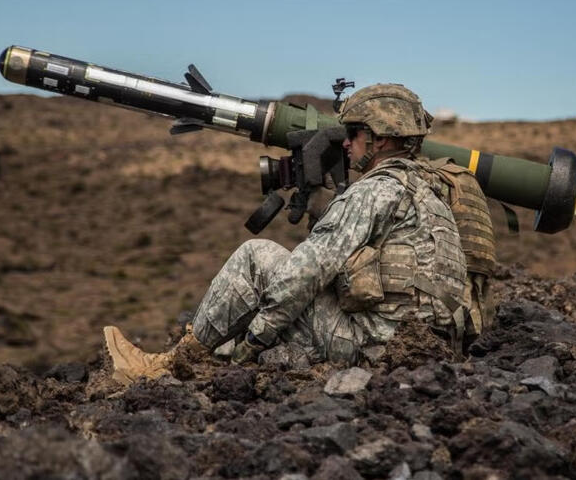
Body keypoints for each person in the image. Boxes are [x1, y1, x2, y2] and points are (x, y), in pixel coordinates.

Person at [103, 84, 479, 385]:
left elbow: (306, 271)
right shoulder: (432, 195)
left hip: (373, 350)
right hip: (430, 352)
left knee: (258, 257)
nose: (345, 143)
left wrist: (257, 338)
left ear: (380, 140)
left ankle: (167, 366)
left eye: (353, 133)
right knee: (282, 301)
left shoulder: (374, 191)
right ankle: (215, 350)